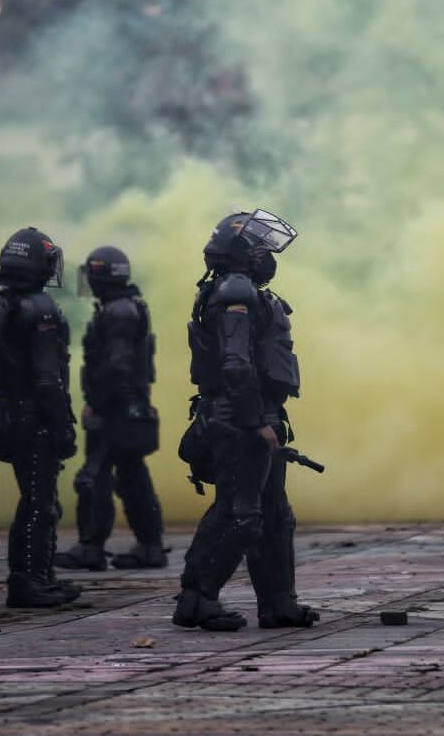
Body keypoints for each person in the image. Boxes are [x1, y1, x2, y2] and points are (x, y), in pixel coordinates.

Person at [173, 210, 318, 631]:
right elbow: (236, 366)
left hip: (254, 414)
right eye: (258, 247)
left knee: (275, 515)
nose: (266, 255)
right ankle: (196, 599)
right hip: (237, 420)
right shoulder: (234, 291)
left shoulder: (241, 289)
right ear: (239, 251)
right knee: (239, 515)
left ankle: (278, 605)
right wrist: (256, 422)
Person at [0, 228, 79, 608]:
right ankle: (30, 581)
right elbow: (47, 378)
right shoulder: (40, 308)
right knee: (41, 503)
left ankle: (38, 576)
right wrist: (61, 425)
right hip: (35, 413)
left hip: (10, 406)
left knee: (34, 499)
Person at [56, 246, 166, 571]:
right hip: (129, 408)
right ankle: (150, 545)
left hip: (115, 411)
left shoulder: (117, 312)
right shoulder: (128, 307)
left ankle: (90, 547)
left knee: (95, 477)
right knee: (133, 477)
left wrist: (97, 404)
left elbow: (117, 365)